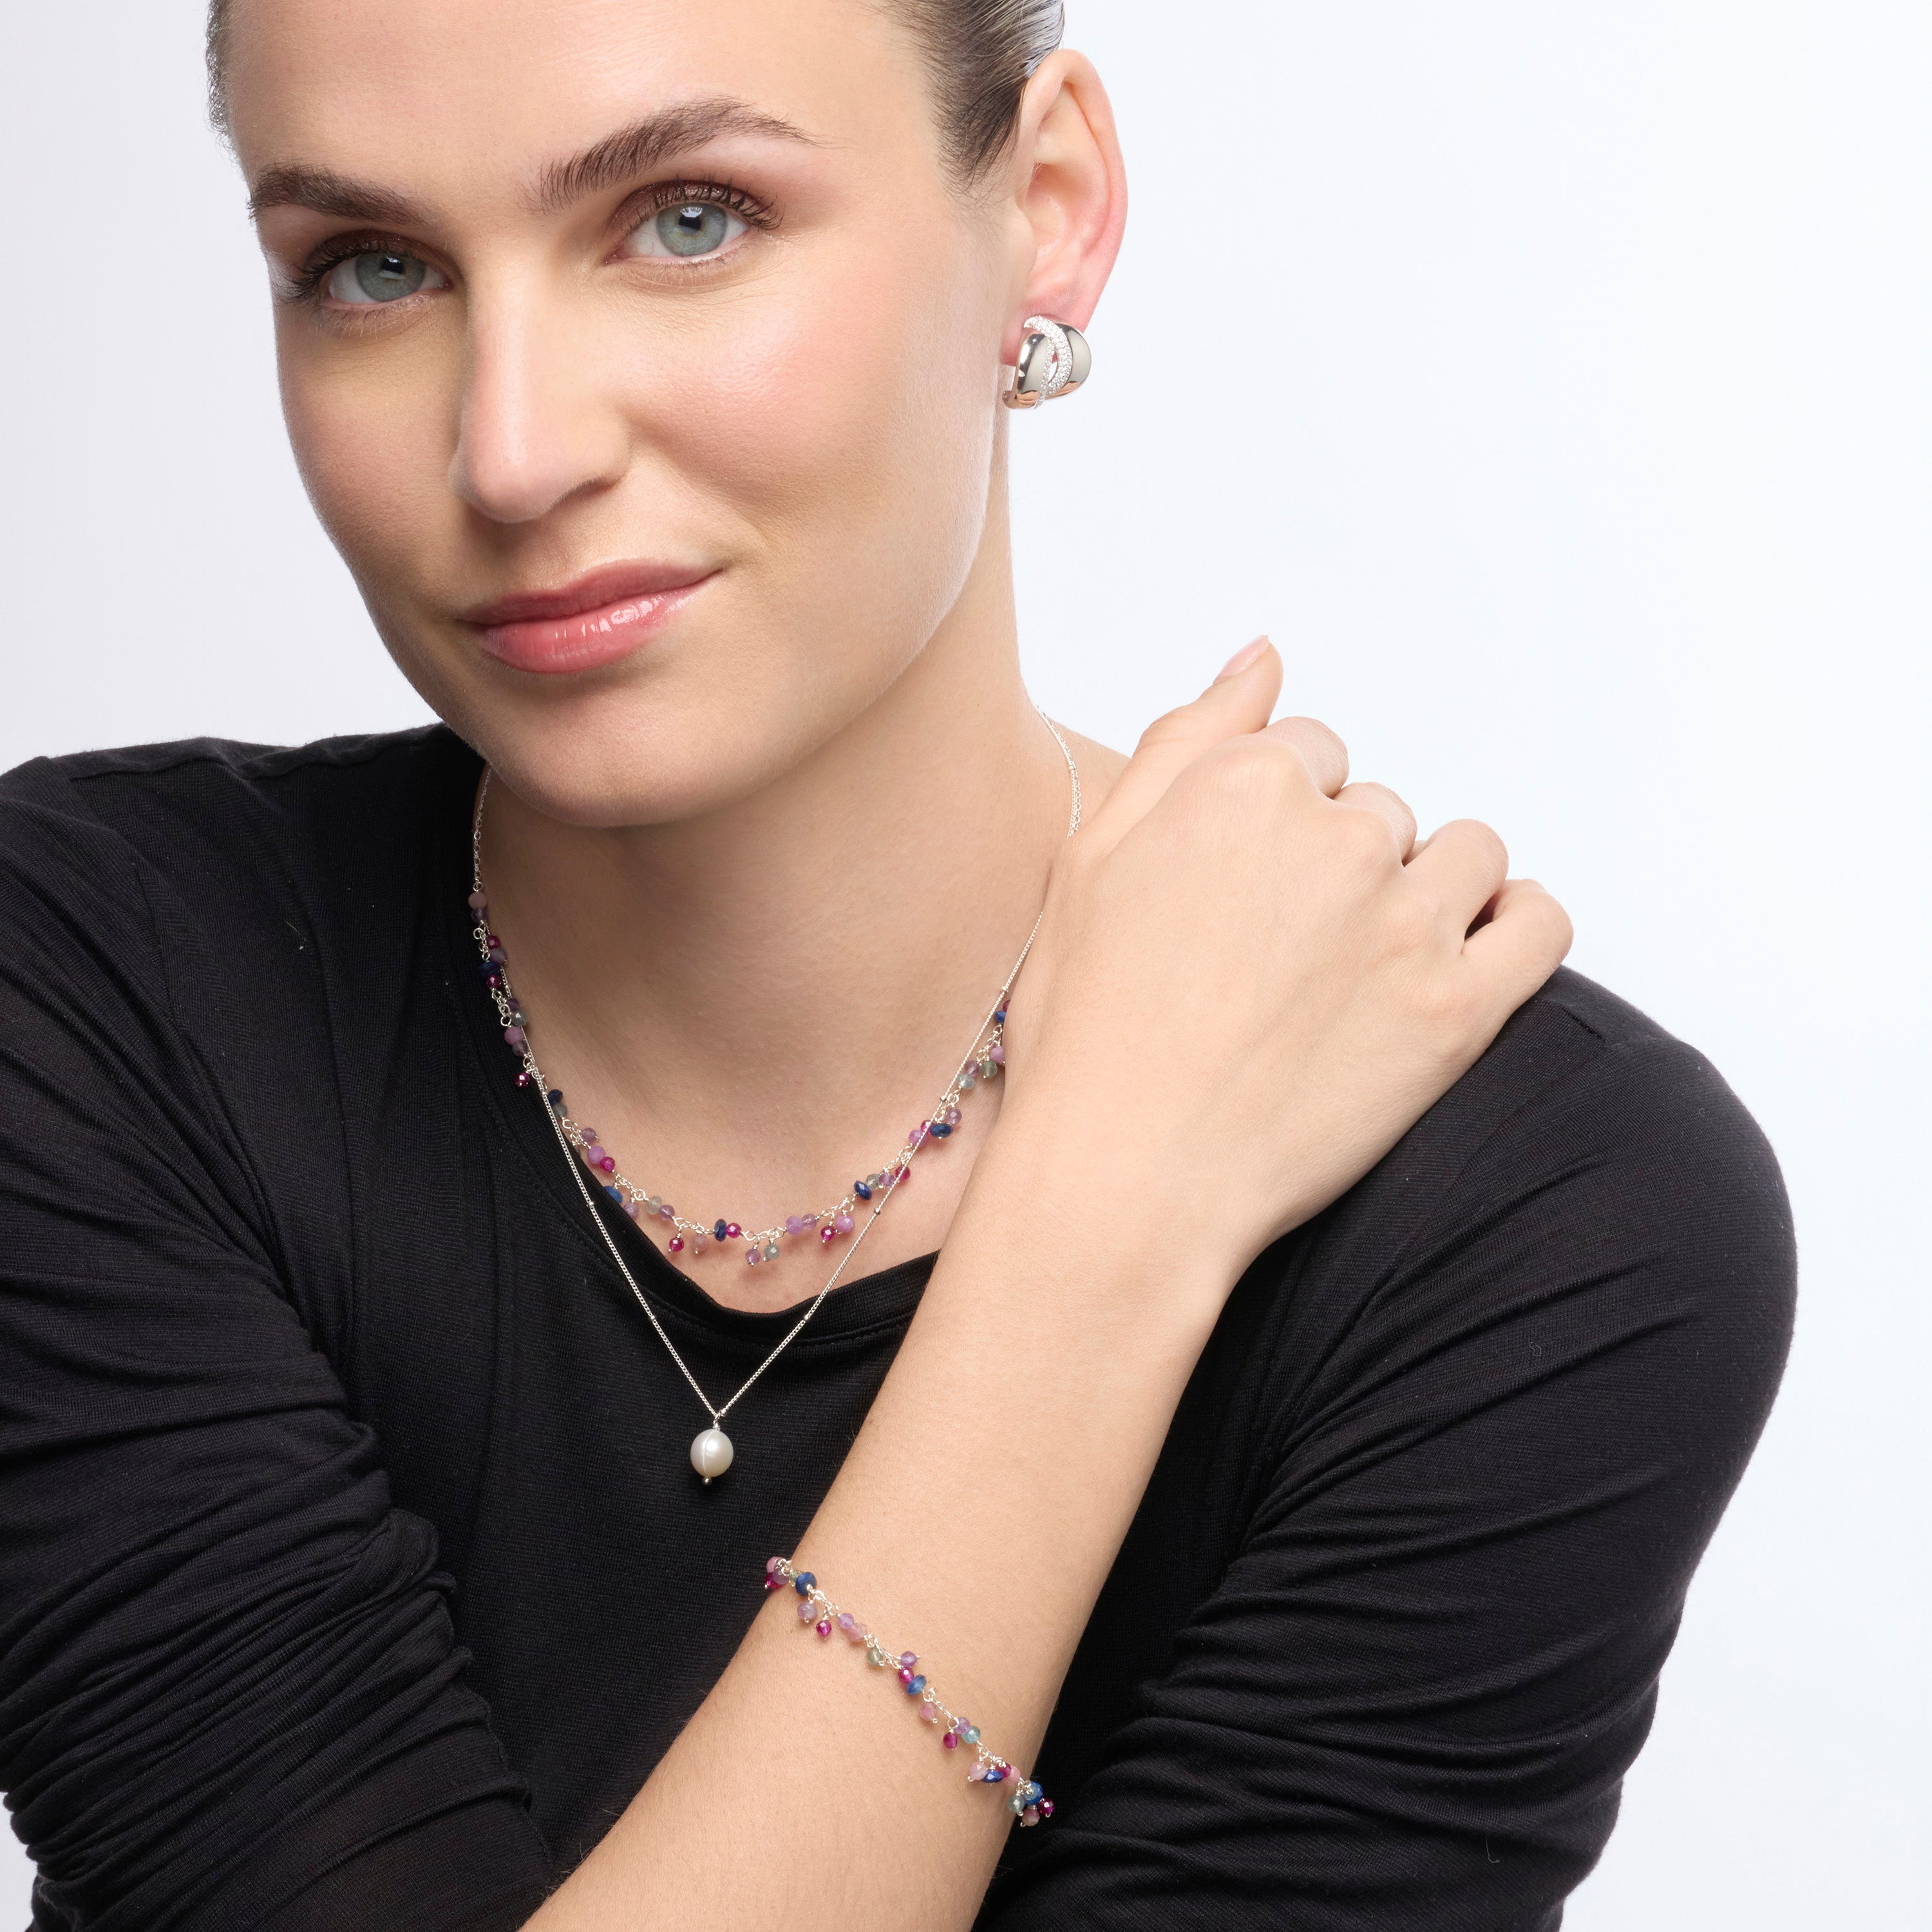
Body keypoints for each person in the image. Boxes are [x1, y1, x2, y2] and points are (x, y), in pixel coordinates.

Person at [0, 2, 1795, 1927]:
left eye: (689, 219)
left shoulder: (1540, 1219)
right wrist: (1096, 1243)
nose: (511, 451)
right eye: (371, 267)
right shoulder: (92, 994)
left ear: (1048, 205)